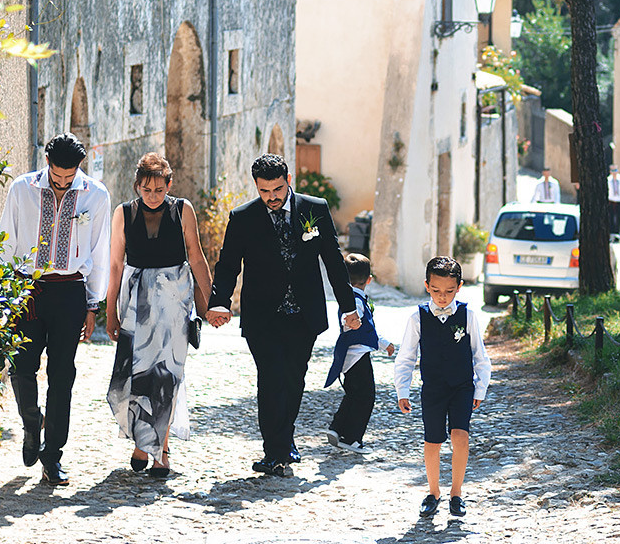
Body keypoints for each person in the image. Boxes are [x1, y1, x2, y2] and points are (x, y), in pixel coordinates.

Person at [207, 153, 357, 478]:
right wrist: (218, 302)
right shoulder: (243, 217)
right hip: (263, 316)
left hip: (304, 315)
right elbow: (229, 264)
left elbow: (333, 260)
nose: (271, 197)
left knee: (294, 379)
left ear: (288, 181)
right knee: (271, 379)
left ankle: (284, 442)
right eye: (264, 192)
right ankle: (275, 452)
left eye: (276, 189)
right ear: (257, 188)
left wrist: (349, 306)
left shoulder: (314, 210)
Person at [0, 134, 112, 487]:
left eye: (69, 176)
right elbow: (5, 241)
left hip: (71, 292)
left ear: (79, 168)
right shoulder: (22, 189)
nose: (62, 182)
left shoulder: (97, 194)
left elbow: (100, 250)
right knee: (22, 366)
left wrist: (93, 304)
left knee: (63, 376)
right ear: (47, 163)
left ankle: (53, 456)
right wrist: (5, 296)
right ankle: (32, 422)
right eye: (57, 175)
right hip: (28, 290)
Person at [104, 153, 219, 480]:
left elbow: (196, 258)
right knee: (137, 373)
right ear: (137, 186)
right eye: (146, 189)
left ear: (169, 185)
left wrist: (211, 302)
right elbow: (114, 266)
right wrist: (110, 312)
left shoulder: (182, 210)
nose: (152, 195)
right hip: (137, 301)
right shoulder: (123, 213)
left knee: (167, 374)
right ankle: (143, 444)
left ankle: (161, 449)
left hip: (174, 299)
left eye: (158, 189)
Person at [395, 256, 491, 518]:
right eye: (436, 291)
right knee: (433, 440)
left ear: (459, 287)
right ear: (427, 286)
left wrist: (480, 389)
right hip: (433, 388)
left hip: (462, 386)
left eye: (449, 291)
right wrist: (403, 391)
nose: (442, 297)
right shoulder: (418, 318)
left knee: (460, 436)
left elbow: (480, 356)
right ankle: (434, 491)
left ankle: (456, 493)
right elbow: (406, 357)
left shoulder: (467, 315)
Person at [323, 253, 395, 452]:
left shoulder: (351, 299)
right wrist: (349, 323)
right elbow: (352, 322)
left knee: (353, 394)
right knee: (366, 397)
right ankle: (352, 438)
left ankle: (337, 429)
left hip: (350, 356)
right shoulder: (355, 302)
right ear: (369, 280)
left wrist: (384, 343)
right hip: (358, 356)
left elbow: (367, 330)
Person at [605, 164, 620, 240]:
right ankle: (611, 234)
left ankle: (617, 233)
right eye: (612, 170)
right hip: (611, 202)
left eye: (615, 170)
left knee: (618, 218)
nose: (614, 172)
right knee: (610, 218)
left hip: (619, 201)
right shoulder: (607, 180)